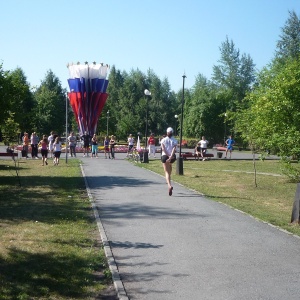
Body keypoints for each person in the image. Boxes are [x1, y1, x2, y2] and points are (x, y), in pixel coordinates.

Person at [160, 127, 178, 196]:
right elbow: (174, 148)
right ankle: (169, 178)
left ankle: (169, 185)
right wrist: (171, 156)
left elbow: (163, 149)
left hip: (165, 156)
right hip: (172, 157)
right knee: (170, 165)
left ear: (167, 133)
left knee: (166, 172)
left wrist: (168, 156)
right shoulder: (174, 140)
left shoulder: (163, 140)